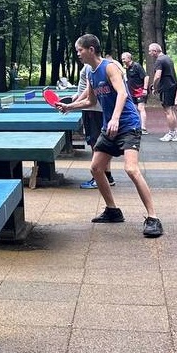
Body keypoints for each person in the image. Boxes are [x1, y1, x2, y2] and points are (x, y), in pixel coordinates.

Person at [57, 34, 162, 238]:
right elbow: (90, 101)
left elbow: (122, 93)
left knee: (131, 169)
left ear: (91, 49)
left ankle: (153, 218)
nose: (78, 54)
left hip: (128, 124)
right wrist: (69, 107)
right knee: (96, 168)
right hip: (109, 128)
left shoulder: (110, 67)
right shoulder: (90, 73)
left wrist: (114, 118)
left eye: (80, 50)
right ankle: (113, 211)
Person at [73, 64, 115, 189]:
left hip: (93, 110)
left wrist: (74, 104)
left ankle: (98, 178)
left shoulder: (90, 67)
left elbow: (89, 90)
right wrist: (77, 96)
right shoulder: (102, 65)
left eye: (80, 52)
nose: (78, 54)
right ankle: (107, 176)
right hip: (97, 109)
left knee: (95, 145)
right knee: (102, 144)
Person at [148, 43, 177, 142]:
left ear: (155, 51)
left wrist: (154, 86)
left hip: (166, 87)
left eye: (150, 51)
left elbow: (158, 76)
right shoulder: (168, 58)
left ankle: (172, 133)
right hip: (172, 86)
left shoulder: (159, 60)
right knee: (171, 110)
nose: (149, 53)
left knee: (168, 110)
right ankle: (175, 132)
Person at [120, 51, 149, 135]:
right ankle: (136, 126)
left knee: (141, 108)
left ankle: (143, 128)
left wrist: (145, 89)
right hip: (131, 92)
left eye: (124, 59)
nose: (123, 60)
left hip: (140, 91)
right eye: (122, 59)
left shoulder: (136, 66)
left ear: (129, 58)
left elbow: (146, 77)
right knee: (133, 109)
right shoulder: (126, 68)